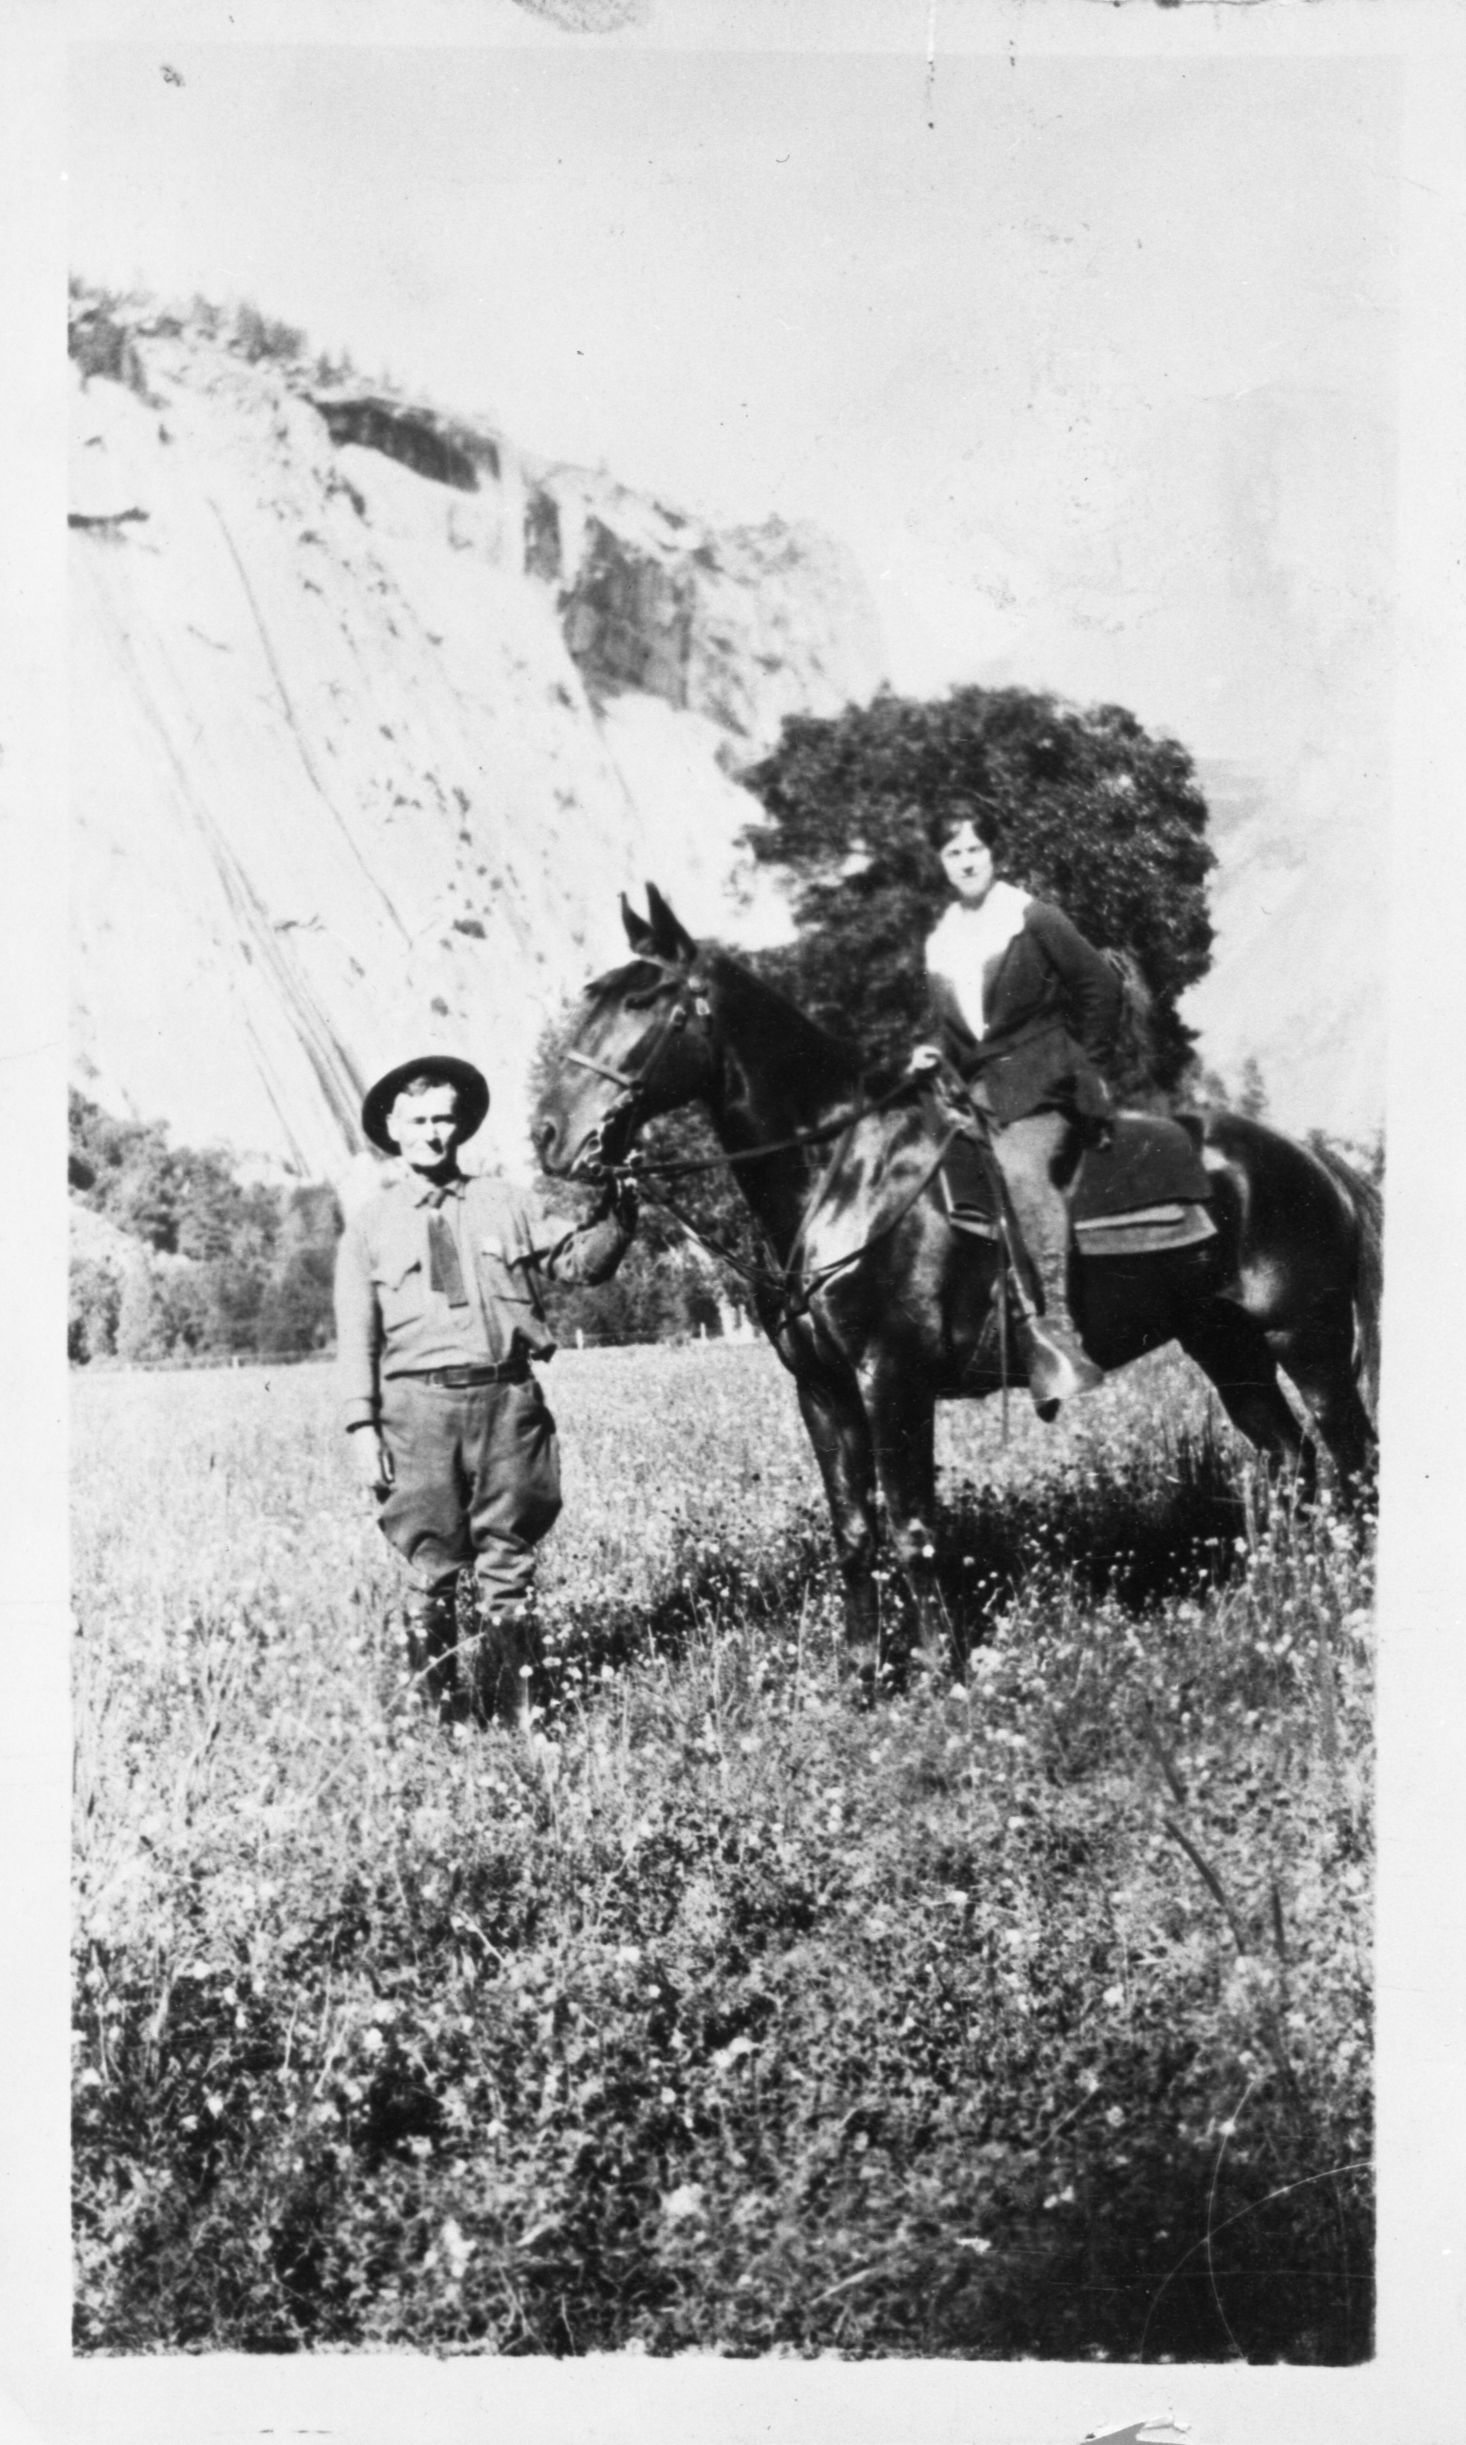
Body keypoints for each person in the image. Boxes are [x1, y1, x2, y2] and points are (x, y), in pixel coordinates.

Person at [335, 1054, 636, 1729]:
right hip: (416, 1413)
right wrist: (362, 1430)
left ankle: (522, 1717)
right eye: (418, 1120)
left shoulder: (508, 1201)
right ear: (393, 1126)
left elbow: (580, 1261)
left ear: (462, 1123)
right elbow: (355, 1337)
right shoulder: (370, 1225)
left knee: (510, 1561)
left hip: (507, 1406)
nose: (433, 1133)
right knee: (431, 1562)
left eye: (444, 1117)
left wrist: (620, 1209)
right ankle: (441, 1723)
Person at [910, 805, 1124, 1416]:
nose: (967, 861)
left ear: (993, 853)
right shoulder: (943, 939)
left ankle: (1058, 1330)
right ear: (941, 863)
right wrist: (933, 1052)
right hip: (975, 1096)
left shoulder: (1031, 917)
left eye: (975, 849)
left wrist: (1083, 1066)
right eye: (954, 853)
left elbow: (1099, 988)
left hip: (1045, 1089)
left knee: (1022, 1172)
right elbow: (956, 1033)